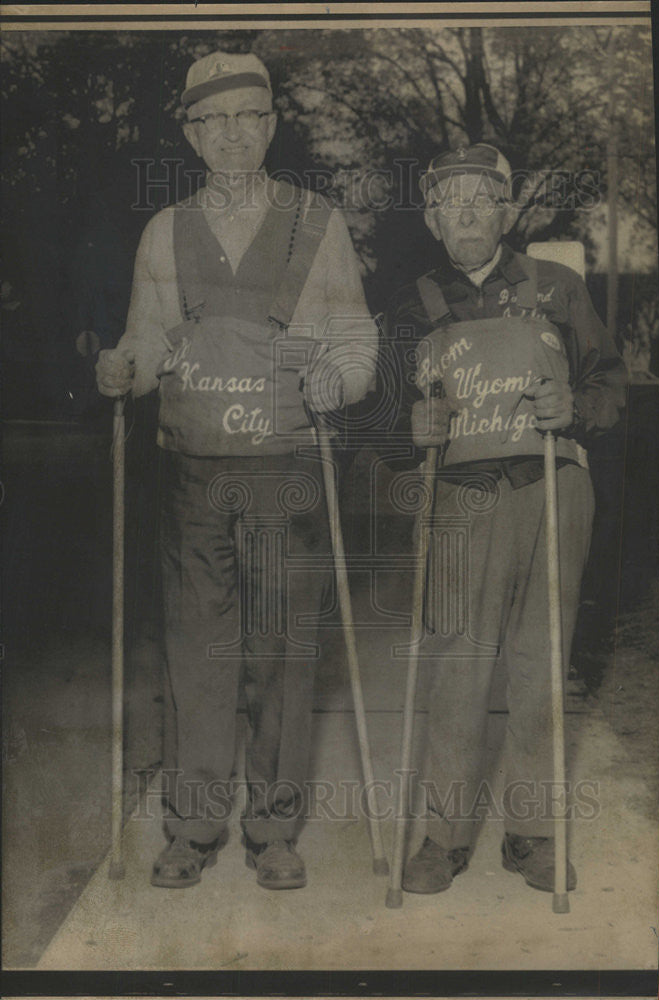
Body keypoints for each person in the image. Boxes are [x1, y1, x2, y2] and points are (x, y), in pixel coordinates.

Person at [96, 52, 377, 890]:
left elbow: (356, 338)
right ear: (189, 133)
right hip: (189, 477)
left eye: (248, 117)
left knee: (283, 654)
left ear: (270, 126)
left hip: (286, 470)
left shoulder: (316, 224)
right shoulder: (163, 231)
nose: (231, 135)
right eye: (212, 120)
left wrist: (344, 378)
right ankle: (192, 824)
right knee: (195, 652)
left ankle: (276, 828)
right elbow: (149, 341)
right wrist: (123, 368)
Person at [382, 143, 627, 895]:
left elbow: (610, 385)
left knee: (540, 663)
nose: (467, 213)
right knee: (457, 664)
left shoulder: (556, 287)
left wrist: (576, 407)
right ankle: (441, 837)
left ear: (507, 210)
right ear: (431, 217)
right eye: (450, 201)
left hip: (554, 487)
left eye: (482, 198)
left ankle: (531, 834)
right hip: (462, 498)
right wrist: (408, 430)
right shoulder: (412, 304)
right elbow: (384, 425)